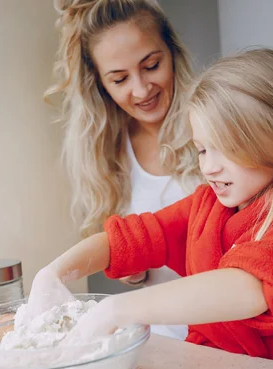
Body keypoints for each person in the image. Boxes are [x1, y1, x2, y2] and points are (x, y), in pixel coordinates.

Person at [28, 49, 273, 369]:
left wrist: (118, 309)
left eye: (226, 147)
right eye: (201, 150)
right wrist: (53, 273)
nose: (209, 167)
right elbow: (128, 239)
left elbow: (250, 288)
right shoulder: (204, 206)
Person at [44, 0, 202, 339]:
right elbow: (134, 254)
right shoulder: (105, 156)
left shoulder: (216, 126)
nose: (142, 90)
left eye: (152, 65)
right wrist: (133, 270)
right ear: (100, 85)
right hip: (165, 341)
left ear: (173, 52)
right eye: (119, 79)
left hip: (236, 337)